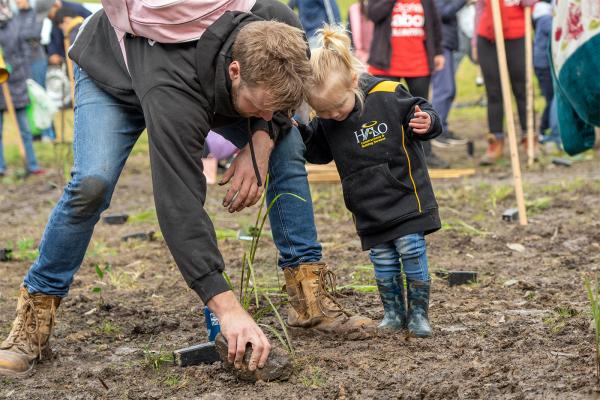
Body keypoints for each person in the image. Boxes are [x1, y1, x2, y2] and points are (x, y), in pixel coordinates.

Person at [0, 0, 373, 378]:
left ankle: (309, 300)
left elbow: (278, 106)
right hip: (115, 73)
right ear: (235, 71)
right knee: (92, 183)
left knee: (286, 147)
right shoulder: (174, 91)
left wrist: (261, 139)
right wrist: (227, 308)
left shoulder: (278, 26)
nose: (265, 114)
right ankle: (34, 316)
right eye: (258, 107)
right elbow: (179, 204)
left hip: (199, 79)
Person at [299, 25, 442, 337]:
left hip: (404, 196)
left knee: (410, 250)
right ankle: (393, 313)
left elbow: (424, 110)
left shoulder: (388, 95)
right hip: (367, 206)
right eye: (324, 112)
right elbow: (320, 152)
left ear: (353, 82)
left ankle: (419, 315)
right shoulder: (326, 119)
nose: (335, 115)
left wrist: (427, 122)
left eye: (339, 107)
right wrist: (301, 131)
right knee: (383, 259)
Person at [367, 0, 449, 169]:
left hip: (419, 63)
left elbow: (434, 22)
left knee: (421, 109)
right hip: (386, 63)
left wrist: (439, 51)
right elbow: (374, 14)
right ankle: (386, 155)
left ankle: (426, 153)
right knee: (384, 113)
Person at [473, 0, 536, 165]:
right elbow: (479, 9)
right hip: (488, 36)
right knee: (493, 92)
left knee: (522, 89)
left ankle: (529, 138)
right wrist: (474, 42)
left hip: (517, 36)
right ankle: (496, 142)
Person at [0, 0, 45, 177]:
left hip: (16, 79)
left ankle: (31, 164)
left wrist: (19, 71)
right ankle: (1, 168)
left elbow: (24, 50)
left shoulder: (15, 22)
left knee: (24, 128)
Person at [15, 0, 56, 142]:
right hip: (22, 62)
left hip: (37, 59)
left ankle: (48, 133)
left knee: (41, 95)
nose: (17, 2)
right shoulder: (15, 16)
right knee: (28, 98)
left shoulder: (36, 12)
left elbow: (33, 32)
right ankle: (35, 132)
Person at [430, 0, 468, 148]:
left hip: (447, 42)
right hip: (441, 44)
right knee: (444, 89)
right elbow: (442, 12)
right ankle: (436, 131)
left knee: (449, 89)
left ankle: (442, 127)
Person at [532, 0, 560, 151]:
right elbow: (558, 32)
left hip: (546, 64)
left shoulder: (545, 15)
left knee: (552, 99)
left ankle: (545, 130)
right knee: (553, 99)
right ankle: (546, 132)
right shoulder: (544, 18)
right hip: (544, 65)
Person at [46, 0, 90, 66]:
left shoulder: (79, 10)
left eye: (49, 14)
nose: (48, 17)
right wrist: (53, 52)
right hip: (67, 58)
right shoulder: (56, 17)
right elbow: (54, 36)